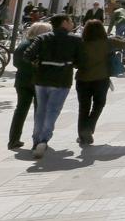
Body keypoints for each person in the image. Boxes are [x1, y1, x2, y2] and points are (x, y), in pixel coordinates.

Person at [24, 14, 84, 158]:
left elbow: (28, 54)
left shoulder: (43, 38)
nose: (72, 23)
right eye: (70, 21)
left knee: (40, 110)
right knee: (53, 111)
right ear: (64, 23)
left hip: (42, 79)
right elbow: (81, 60)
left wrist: (39, 62)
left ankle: (36, 141)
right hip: (61, 80)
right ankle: (43, 139)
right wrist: (71, 64)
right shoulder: (75, 39)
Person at [75, 19, 125, 144]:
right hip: (101, 79)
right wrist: (115, 36)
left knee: (83, 108)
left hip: (82, 79)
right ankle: (88, 129)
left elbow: (75, 63)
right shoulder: (108, 42)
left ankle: (82, 135)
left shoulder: (80, 43)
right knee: (98, 105)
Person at [8, 21, 52, 150]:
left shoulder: (22, 44)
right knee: (40, 111)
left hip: (22, 81)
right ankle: (38, 141)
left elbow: (16, 63)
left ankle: (13, 140)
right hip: (38, 82)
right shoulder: (41, 45)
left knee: (20, 110)